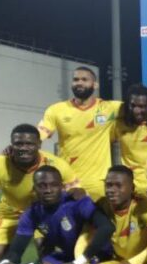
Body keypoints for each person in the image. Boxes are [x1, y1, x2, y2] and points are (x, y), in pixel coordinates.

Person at [0, 124, 79, 264]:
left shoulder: (57, 165)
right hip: (10, 213)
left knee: (46, 255)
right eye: (18, 144)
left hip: (43, 213)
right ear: (11, 144)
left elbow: (77, 195)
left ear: (39, 144)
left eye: (29, 144)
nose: (23, 148)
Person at [0, 165, 115, 264]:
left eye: (54, 185)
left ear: (62, 187)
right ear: (34, 189)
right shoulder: (31, 213)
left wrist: (78, 262)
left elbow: (107, 227)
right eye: (42, 186)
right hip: (69, 256)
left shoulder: (77, 202)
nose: (48, 190)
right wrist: (6, 262)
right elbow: (16, 251)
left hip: (96, 255)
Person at [37, 66, 121, 199]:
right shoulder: (56, 110)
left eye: (84, 79)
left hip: (99, 183)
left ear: (95, 85)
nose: (79, 83)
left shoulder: (109, 108)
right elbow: (38, 136)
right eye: (76, 79)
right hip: (69, 182)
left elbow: (144, 106)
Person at [95, 165, 147, 264]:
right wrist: (80, 261)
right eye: (108, 185)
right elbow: (85, 236)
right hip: (118, 261)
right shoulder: (102, 205)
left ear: (132, 188)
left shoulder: (146, 208)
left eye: (118, 185)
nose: (111, 190)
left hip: (146, 262)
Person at [113, 84, 147, 197]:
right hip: (132, 188)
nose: (136, 110)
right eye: (133, 105)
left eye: (142, 106)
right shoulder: (118, 124)